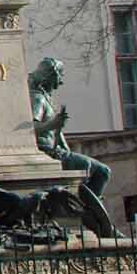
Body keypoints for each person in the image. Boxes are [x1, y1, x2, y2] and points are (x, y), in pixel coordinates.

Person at [31, 57, 115, 232]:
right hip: (48, 151)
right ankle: (88, 213)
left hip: (58, 150)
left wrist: (60, 133)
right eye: (59, 76)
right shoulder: (37, 99)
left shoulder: (46, 98)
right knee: (93, 168)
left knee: (102, 170)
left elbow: (58, 134)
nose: (61, 82)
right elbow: (33, 128)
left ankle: (90, 210)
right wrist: (53, 124)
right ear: (50, 76)